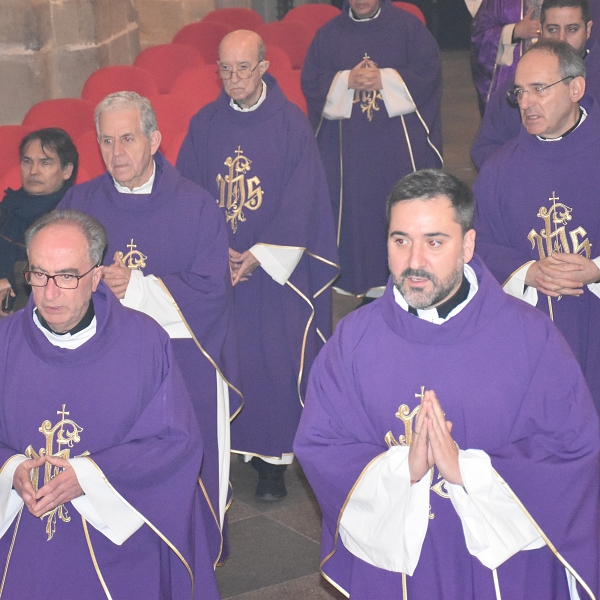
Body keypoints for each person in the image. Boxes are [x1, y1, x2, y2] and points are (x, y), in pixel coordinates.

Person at [294, 169, 600, 599]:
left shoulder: (530, 337)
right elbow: (322, 447)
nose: (414, 261)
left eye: (434, 242)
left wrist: (469, 472)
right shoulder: (353, 341)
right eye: (400, 241)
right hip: (397, 572)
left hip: (506, 572)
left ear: (468, 245)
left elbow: (573, 451)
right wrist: (404, 470)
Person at [0, 210, 220, 599]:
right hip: (19, 533)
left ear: (96, 276)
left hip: (117, 544)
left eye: (67, 276)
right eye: (38, 274)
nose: (49, 293)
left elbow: (175, 443)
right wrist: (10, 470)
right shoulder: (4, 342)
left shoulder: (144, 343)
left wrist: (90, 477)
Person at [58, 92, 239, 558]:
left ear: (154, 139)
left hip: (183, 360)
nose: (116, 153)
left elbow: (212, 290)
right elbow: (57, 277)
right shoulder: (79, 203)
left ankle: (191, 555)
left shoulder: (196, 205)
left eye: (127, 139)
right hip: (103, 366)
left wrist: (136, 289)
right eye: (106, 141)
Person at [177, 30, 339, 500]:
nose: (233, 79)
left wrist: (261, 256)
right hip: (218, 264)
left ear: (264, 66)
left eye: (242, 68)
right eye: (224, 69)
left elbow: (303, 196)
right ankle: (229, 447)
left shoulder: (291, 124)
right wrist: (213, 252)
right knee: (228, 355)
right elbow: (187, 192)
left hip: (273, 271)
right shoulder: (205, 123)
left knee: (272, 357)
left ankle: (272, 461)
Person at [473, 39, 600, 413]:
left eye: (539, 89)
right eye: (520, 93)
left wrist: (596, 269)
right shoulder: (499, 168)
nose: (526, 103)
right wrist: (527, 271)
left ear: (576, 88)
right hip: (530, 337)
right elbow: (474, 245)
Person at [301, 0, 442, 297]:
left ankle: (408, 275)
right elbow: (311, 80)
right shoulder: (328, 34)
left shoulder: (407, 28)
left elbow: (429, 71)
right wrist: (344, 80)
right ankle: (357, 280)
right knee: (355, 209)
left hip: (396, 149)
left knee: (397, 205)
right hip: (348, 151)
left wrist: (387, 79)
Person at [471, 0, 598, 169]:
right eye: (552, 29)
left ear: (588, 30)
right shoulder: (515, 89)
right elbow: (485, 149)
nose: (561, 39)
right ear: (541, 30)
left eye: (572, 29)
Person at [0, 128, 78, 316]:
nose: (33, 171)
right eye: (27, 161)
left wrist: (12, 280)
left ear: (66, 170)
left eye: (45, 163)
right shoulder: (8, 206)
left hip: (43, 307)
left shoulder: (73, 214)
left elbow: (65, 270)